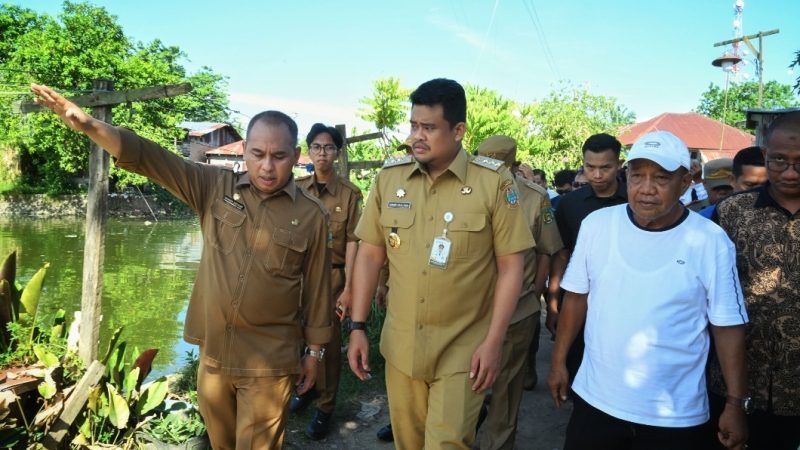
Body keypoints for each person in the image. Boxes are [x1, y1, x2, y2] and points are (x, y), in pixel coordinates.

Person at [31, 84, 332, 449]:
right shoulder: (214, 186)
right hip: (214, 356)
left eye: (279, 156)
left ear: (296, 155)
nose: (267, 166)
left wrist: (315, 353)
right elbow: (152, 158)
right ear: (244, 150)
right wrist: (89, 124)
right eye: (258, 154)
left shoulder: (311, 215)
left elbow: (318, 289)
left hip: (270, 362)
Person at [346, 78, 534, 450]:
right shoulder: (390, 179)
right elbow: (370, 255)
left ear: (458, 130)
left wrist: (494, 342)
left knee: (448, 444)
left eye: (429, 128)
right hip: (402, 348)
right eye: (414, 125)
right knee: (409, 444)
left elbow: (511, 267)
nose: (417, 136)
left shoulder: (493, 183)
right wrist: (357, 327)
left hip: (464, 350)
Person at [548, 130, 748, 450]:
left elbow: (727, 325)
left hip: (674, 414)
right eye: (637, 175)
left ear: (685, 182)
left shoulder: (710, 241)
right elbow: (576, 298)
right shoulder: (597, 225)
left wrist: (735, 403)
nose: (646, 188)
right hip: (596, 399)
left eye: (661, 178)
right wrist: (558, 361)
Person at [708, 112, 800, 450]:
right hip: (739, 387)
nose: (790, 172)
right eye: (779, 160)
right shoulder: (731, 213)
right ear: (765, 155)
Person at [475, 135, 564, 450]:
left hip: (516, 311)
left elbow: (547, 251)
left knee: (506, 390)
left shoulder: (534, 198)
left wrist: (534, 295)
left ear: (513, 165)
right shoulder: (463, 191)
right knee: (469, 386)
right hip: (470, 312)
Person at [291, 123, 363, 440]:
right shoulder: (296, 189)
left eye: (329, 147)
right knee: (297, 337)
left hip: (333, 277)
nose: (323, 153)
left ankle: (325, 407)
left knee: (329, 345)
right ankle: (305, 388)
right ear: (309, 151)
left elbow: (354, 242)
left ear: (337, 152)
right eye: (317, 147)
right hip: (298, 277)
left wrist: (349, 288)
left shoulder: (349, 194)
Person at [546, 133, 627, 381]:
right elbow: (562, 255)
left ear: (619, 164)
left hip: (622, 299)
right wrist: (553, 302)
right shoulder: (569, 204)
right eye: (590, 167)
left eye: (606, 167)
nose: (597, 175)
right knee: (576, 364)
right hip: (577, 299)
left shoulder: (634, 201)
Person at [699, 147, 766, 219]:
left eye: (766, 185)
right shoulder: (705, 219)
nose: (758, 192)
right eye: (750, 185)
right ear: (732, 180)